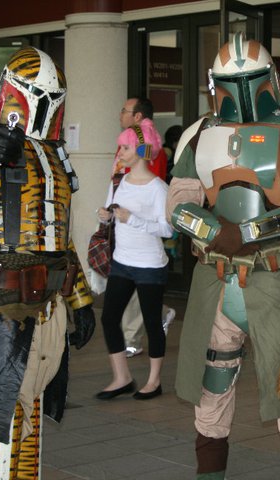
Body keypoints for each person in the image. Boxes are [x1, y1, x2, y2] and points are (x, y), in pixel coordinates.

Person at [167, 32, 280, 479]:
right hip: (216, 282)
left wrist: (245, 233)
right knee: (211, 390)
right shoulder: (199, 134)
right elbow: (178, 205)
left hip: (275, 284)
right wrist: (219, 231)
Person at [0, 46, 95, 479]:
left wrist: (80, 300)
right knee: (0, 416)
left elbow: (60, 242)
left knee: (30, 411)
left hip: (47, 306)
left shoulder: (55, 156)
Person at [95, 118, 173, 400]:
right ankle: (122, 377)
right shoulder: (119, 181)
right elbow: (110, 210)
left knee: (152, 323)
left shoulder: (159, 188)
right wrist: (106, 216)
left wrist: (134, 220)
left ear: (142, 150)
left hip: (150, 266)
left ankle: (153, 381)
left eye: (125, 148)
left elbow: (168, 229)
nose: (120, 153)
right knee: (109, 318)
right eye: (120, 148)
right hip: (121, 261)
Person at [115, 96, 175, 357]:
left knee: (138, 295)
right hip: (128, 229)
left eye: (125, 110)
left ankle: (133, 338)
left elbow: (153, 185)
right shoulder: (133, 141)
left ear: (138, 116)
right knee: (135, 296)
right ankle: (152, 320)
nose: (121, 114)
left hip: (144, 238)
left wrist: (135, 215)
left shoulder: (146, 144)